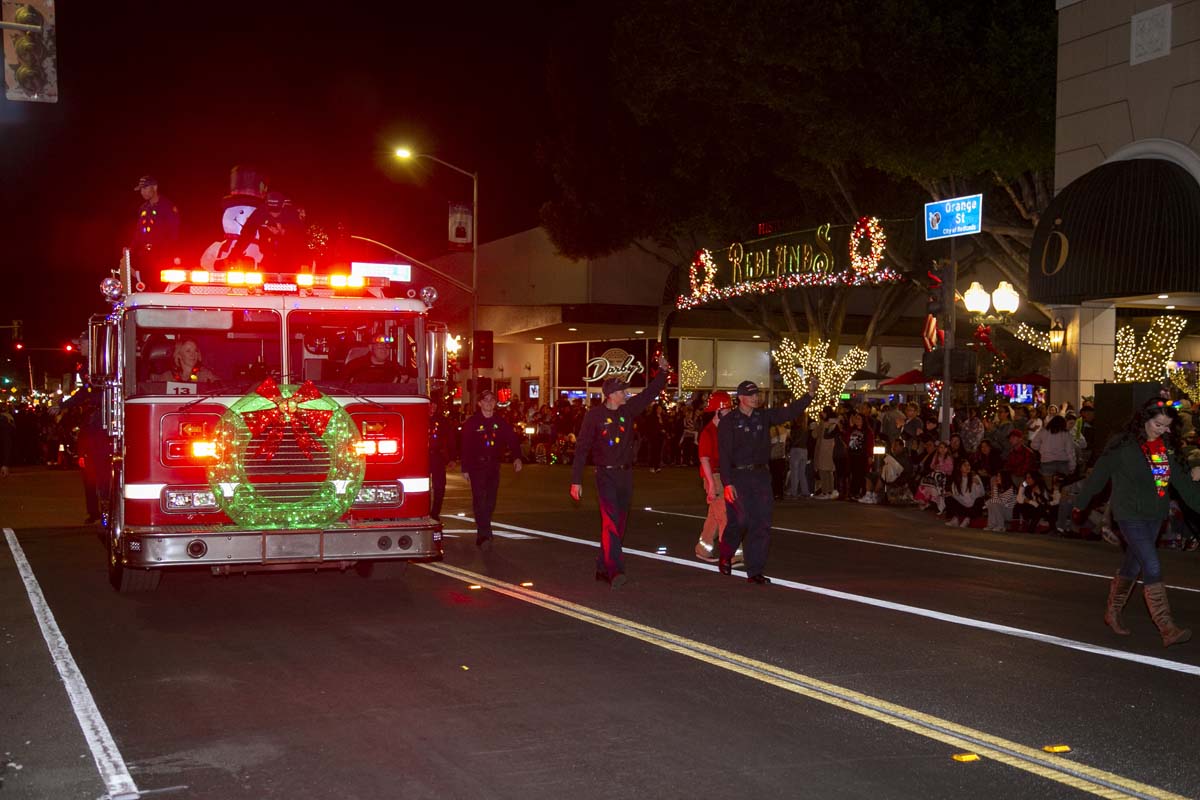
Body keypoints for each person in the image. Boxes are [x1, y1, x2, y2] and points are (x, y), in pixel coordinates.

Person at [1072, 398, 1200, 647]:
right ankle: (1167, 628)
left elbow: (1184, 485)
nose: (1162, 430)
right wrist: (1082, 501)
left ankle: (1113, 611)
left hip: (1155, 515)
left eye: (1166, 426)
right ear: (1144, 419)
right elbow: (1100, 473)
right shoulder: (1122, 444)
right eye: (1158, 424)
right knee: (1151, 564)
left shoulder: (1166, 448)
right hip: (1129, 514)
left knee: (1134, 563)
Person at [570, 353, 670, 587]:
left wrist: (663, 374)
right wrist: (576, 480)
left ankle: (602, 566)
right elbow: (582, 449)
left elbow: (649, 394)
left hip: (625, 475)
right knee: (611, 522)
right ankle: (616, 570)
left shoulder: (628, 410)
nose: (626, 393)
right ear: (611, 395)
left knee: (619, 523)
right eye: (622, 390)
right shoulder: (594, 416)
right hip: (605, 474)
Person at [716, 378, 815, 584]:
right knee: (740, 521)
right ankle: (726, 553)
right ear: (741, 398)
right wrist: (727, 483)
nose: (756, 398)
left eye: (757, 394)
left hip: (760, 476)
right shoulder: (729, 422)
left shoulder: (763, 417)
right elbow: (723, 455)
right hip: (738, 477)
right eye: (751, 395)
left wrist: (809, 395)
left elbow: (788, 413)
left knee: (761, 523)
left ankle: (755, 571)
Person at [461, 389, 523, 549]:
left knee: (490, 501)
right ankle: (483, 531)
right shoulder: (472, 423)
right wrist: (465, 468)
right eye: (485, 400)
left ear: (495, 403)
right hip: (477, 467)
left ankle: (485, 527)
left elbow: (512, 439)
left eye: (492, 400)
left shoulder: (500, 421)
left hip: (493, 465)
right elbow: (465, 446)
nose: (489, 403)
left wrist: (517, 457)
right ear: (479, 403)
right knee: (479, 499)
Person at [694, 390, 741, 565]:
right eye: (727, 410)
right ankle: (731, 553)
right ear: (718, 412)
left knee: (715, 516)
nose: (730, 413)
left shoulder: (724, 430)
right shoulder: (708, 432)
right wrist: (712, 485)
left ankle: (703, 548)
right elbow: (704, 460)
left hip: (723, 475)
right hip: (714, 476)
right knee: (725, 516)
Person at [131, 175, 181, 273]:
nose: (142, 192)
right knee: (144, 285)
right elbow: (139, 232)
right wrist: (131, 249)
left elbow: (174, 234)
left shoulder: (167, 207)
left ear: (154, 187)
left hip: (162, 257)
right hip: (145, 257)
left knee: (160, 286)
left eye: (145, 188)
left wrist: (169, 254)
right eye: (141, 190)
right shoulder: (143, 208)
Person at [344, 336, 411, 383]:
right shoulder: (354, 366)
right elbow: (341, 389)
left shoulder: (395, 367)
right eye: (380, 345)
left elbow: (411, 383)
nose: (384, 348)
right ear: (370, 347)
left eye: (387, 345)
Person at [428, 396, 452, 522]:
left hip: (437, 456)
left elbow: (449, 439)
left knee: (440, 486)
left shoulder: (442, 420)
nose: (432, 407)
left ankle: (435, 512)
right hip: (422, 457)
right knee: (421, 486)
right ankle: (423, 510)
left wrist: (451, 458)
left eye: (434, 404)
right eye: (430, 404)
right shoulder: (418, 417)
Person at [151, 339, 217, 383]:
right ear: (179, 355)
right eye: (188, 351)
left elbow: (221, 389)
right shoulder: (168, 377)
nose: (193, 354)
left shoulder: (205, 375)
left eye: (195, 351)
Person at [943, 459, 985, 528]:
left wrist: (978, 485)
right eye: (965, 465)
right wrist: (952, 495)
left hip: (973, 505)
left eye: (968, 465)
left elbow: (982, 494)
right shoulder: (956, 480)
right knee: (949, 497)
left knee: (979, 501)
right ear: (960, 468)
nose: (968, 467)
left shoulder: (975, 477)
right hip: (962, 504)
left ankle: (967, 519)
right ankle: (956, 519)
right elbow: (959, 497)